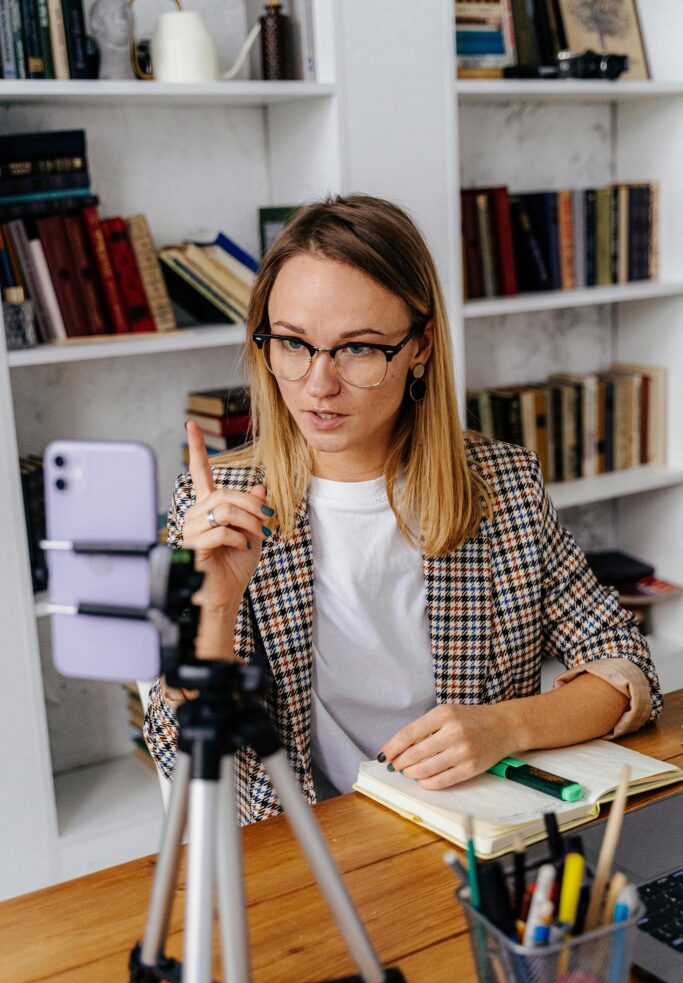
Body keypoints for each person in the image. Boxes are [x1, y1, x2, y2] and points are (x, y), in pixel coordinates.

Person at [144, 194, 660, 824]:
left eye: (359, 348)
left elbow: (625, 663)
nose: (318, 384)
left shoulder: (504, 486)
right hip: (306, 842)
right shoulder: (213, 503)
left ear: (421, 346)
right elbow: (183, 752)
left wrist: (506, 726)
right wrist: (216, 607)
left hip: (471, 833)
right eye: (293, 343)